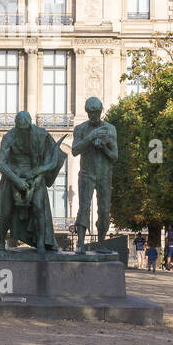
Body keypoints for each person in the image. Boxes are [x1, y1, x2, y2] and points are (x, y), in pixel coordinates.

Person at [0, 111, 67, 252]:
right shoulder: (9, 137)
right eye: (20, 129)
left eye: (26, 129)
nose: (23, 132)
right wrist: (16, 180)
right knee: (6, 209)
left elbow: (51, 161)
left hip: (36, 174)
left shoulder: (41, 134)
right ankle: (1, 243)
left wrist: (39, 176)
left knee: (39, 208)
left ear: (30, 125)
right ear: (16, 126)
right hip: (13, 175)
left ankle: (41, 243)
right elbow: (0, 162)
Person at [71, 97, 118, 253]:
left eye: (96, 112)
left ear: (100, 111)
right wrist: (90, 138)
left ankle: (101, 244)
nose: (93, 116)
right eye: (90, 113)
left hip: (105, 174)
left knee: (104, 210)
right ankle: (80, 244)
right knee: (84, 207)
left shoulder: (110, 129)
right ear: (87, 112)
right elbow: (75, 150)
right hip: (86, 173)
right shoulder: (80, 129)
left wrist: (104, 147)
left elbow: (114, 156)